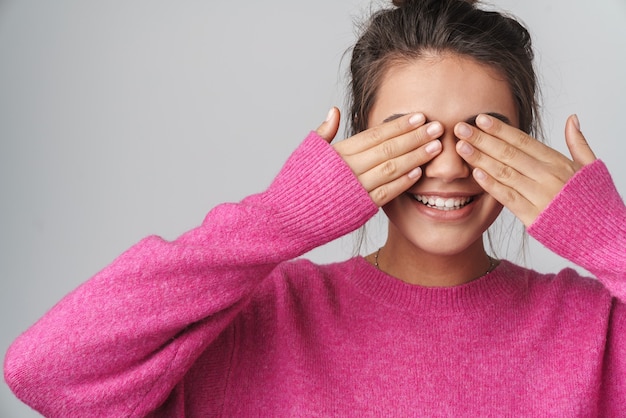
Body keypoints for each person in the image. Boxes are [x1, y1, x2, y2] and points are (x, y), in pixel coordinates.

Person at [4, 0, 625, 415]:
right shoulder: (264, 318)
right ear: (358, 143)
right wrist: (281, 217)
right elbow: (45, 371)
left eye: (481, 133)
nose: (447, 166)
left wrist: (606, 235)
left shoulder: (594, 328)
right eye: (412, 133)